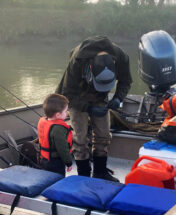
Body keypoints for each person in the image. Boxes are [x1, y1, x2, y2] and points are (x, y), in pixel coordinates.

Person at [56, 36, 132, 182]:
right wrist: (88, 108)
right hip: (77, 95)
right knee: (80, 137)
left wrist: (117, 98)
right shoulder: (78, 60)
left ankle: (100, 172)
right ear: (90, 67)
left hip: (100, 96)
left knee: (103, 134)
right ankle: (84, 175)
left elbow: (126, 81)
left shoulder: (121, 57)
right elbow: (67, 93)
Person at [38, 93, 73, 177]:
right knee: (57, 180)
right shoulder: (58, 129)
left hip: (44, 159)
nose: (67, 113)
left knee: (47, 179)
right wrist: (69, 163)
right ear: (58, 115)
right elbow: (62, 149)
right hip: (55, 162)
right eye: (65, 111)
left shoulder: (44, 121)